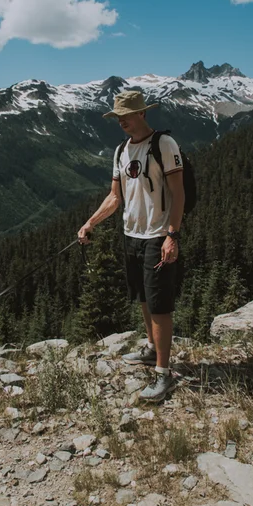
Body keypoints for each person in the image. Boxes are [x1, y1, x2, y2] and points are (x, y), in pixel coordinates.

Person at [77, 90, 185, 402]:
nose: (121, 121)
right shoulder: (121, 150)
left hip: (157, 235)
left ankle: (164, 375)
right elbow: (115, 197)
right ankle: (151, 350)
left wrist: (172, 235)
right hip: (132, 235)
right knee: (142, 297)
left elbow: (178, 194)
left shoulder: (163, 145)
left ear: (142, 113)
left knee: (160, 303)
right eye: (117, 116)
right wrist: (90, 222)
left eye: (126, 114)